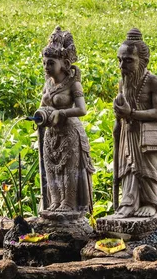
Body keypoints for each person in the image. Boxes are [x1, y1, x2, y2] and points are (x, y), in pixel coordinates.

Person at [112, 28, 157, 218]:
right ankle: (129, 202)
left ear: (143, 61)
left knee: (147, 170)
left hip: (146, 133)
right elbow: (121, 105)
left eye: (128, 61)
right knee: (129, 168)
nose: (122, 66)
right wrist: (118, 118)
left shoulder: (154, 82)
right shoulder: (123, 82)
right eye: (119, 60)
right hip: (128, 131)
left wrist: (132, 113)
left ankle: (150, 202)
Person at [39, 27, 94, 213]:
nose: (46, 67)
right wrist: (41, 115)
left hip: (70, 131)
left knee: (69, 170)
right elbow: (42, 105)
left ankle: (69, 203)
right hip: (51, 133)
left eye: (51, 63)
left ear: (64, 63)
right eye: (45, 62)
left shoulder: (73, 83)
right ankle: (55, 201)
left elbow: (82, 109)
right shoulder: (48, 83)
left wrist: (62, 113)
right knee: (51, 169)